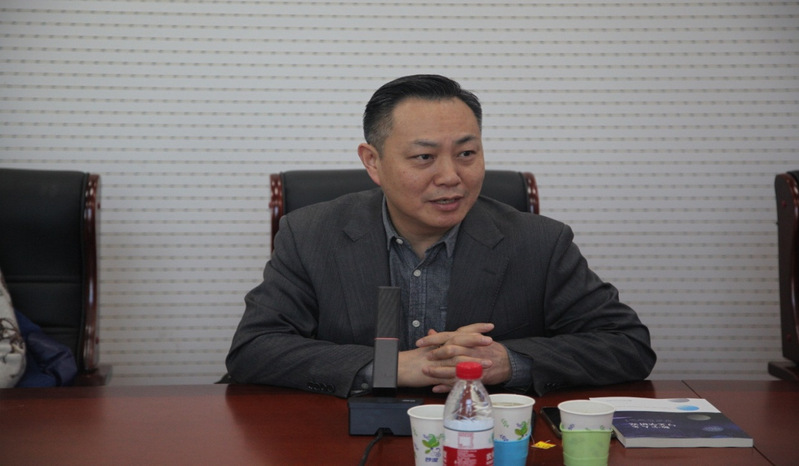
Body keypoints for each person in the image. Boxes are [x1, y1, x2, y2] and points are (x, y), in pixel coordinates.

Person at [226, 74, 656, 398]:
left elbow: (627, 345)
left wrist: (508, 361)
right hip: (345, 438)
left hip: (482, 437)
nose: (451, 176)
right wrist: (391, 367)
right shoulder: (310, 234)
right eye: (424, 157)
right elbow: (254, 350)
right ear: (373, 162)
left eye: (467, 153)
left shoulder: (540, 243)